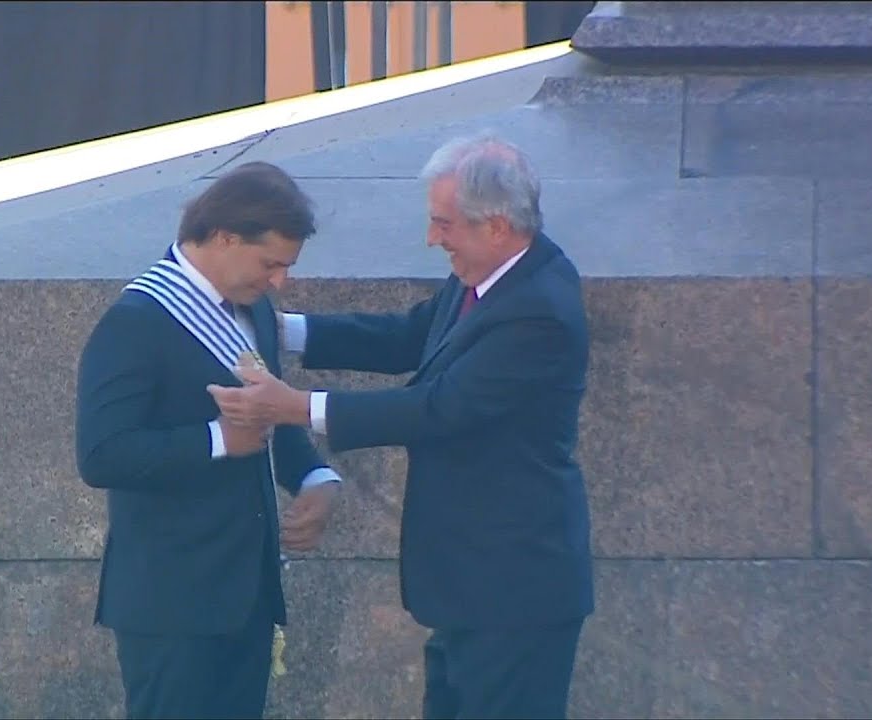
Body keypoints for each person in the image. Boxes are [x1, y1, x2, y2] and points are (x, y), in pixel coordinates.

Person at [208, 134, 593, 720]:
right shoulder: (488, 274)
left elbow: (438, 409)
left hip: (512, 593)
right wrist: (281, 329)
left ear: (496, 227)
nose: (432, 238)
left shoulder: (539, 309)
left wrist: (295, 407)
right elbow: (411, 336)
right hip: (472, 587)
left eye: (444, 224)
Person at [74, 161, 342, 720]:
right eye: (270, 263)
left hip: (246, 597)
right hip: (171, 604)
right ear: (225, 237)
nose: (279, 282)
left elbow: (268, 416)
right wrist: (217, 439)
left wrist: (315, 476)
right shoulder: (136, 320)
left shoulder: (255, 310)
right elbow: (102, 453)